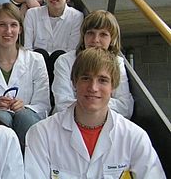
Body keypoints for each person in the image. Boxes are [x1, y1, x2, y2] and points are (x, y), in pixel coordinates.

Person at [25, 48, 165, 178]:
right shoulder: (41, 134)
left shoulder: (134, 137)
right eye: (86, 78)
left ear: (113, 86)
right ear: (74, 82)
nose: (93, 87)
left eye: (102, 80)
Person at [0, 3, 50, 151]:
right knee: (2, 117)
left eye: (13, 25)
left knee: (23, 117)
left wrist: (24, 108)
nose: (8, 31)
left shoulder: (36, 60)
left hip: (27, 124)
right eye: (2, 25)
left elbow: (43, 105)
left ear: (20, 29)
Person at [52, 10, 134, 118]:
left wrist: (87, 101)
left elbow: (125, 108)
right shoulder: (65, 61)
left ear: (112, 39)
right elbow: (62, 104)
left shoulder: (117, 63)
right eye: (90, 33)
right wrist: (100, 101)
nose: (95, 40)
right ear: (83, 36)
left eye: (103, 34)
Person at [24, 0, 84, 85]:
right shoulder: (32, 14)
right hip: (36, 71)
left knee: (59, 55)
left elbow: (72, 52)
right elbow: (27, 49)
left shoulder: (77, 17)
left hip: (63, 72)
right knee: (39, 54)